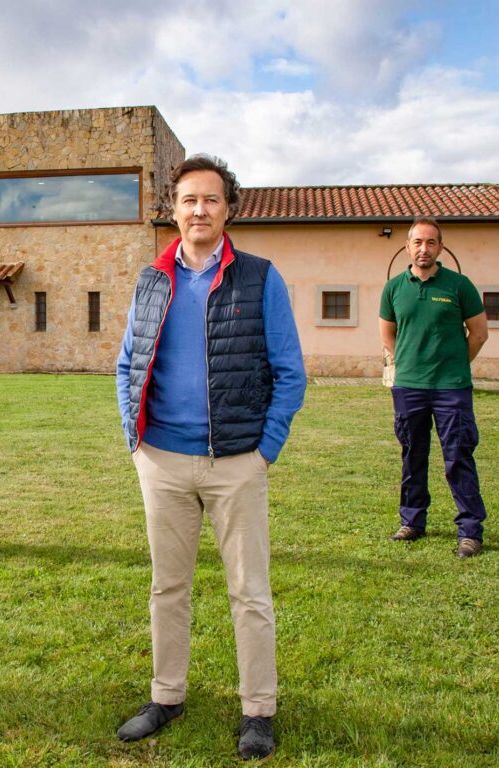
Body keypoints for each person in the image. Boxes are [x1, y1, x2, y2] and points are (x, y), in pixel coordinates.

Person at [116, 154, 306, 761]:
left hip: (236, 463)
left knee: (249, 592)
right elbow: (127, 362)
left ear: (229, 209)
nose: (200, 210)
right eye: (189, 200)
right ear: (174, 210)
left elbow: (290, 373)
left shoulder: (260, 278)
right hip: (162, 460)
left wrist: (264, 451)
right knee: (168, 586)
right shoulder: (151, 279)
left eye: (211, 199)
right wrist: (136, 440)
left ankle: (258, 710)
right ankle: (167, 696)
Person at [379, 217, 489, 558]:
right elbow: (388, 334)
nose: (423, 249)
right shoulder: (394, 288)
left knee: (458, 457)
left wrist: (454, 366)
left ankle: (470, 531)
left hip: (451, 389)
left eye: (430, 242)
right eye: (417, 242)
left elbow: (479, 333)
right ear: (407, 247)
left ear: (440, 247)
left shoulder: (459, 286)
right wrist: (407, 365)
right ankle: (412, 521)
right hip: (409, 388)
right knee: (413, 455)